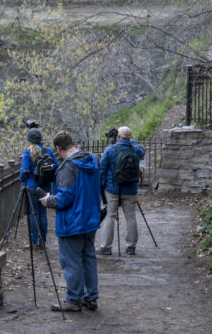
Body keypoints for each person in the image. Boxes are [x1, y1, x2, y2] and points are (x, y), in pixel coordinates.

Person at [40, 131, 101, 312]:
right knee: (88, 258)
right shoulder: (91, 160)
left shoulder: (68, 167)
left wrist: (48, 200)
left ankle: (74, 299)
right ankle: (91, 297)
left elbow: (64, 198)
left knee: (71, 260)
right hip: (90, 218)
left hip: (73, 221)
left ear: (58, 149)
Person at [97, 126, 145, 256]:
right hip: (131, 190)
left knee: (110, 216)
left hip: (113, 189)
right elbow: (141, 149)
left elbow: (102, 170)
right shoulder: (136, 150)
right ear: (130, 137)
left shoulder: (110, 150)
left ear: (118, 137)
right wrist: (130, 139)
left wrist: (102, 187)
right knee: (131, 217)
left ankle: (106, 247)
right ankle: (131, 247)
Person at [19, 127, 58, 249]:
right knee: (43, 214)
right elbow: (56, 167)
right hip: (46, 186)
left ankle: (34, 242)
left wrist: (23, 180)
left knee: (33, 214)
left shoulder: (28, 152)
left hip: (32, 186)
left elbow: (23, 172)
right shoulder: (48, 150)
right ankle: (43, 242)